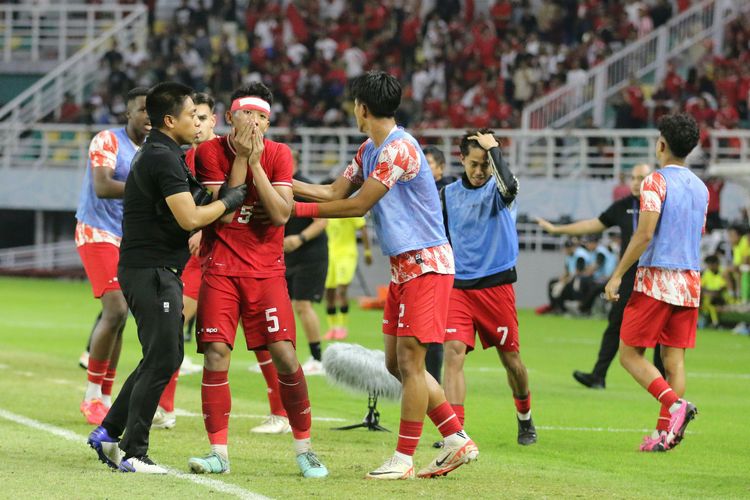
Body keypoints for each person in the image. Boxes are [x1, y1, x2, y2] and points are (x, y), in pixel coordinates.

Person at [293, 71, 477, 480]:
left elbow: (357, 205)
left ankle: (404, 457)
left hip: (426, 264)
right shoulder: (369, 149)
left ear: (361, 107)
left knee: (411, 362)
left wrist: (294, 210)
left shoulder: (399, 149)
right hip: (402, 268)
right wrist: (280, 185)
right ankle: (455, 438)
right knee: (396, 365)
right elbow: (332, 192)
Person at [87, 81, 248, 473]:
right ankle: (133, 452)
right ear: (171, 119)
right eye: (193, 115)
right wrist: (231, 198)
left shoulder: (165, 154)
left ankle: (109, 432)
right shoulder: (161, 157)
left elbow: (209, 205)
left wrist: (239, 163)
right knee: (164, 357)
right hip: (151, 270)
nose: (199, 121)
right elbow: (192, 218)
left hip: (154, 268)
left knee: (163, 355)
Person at [187, 82, 328, 478]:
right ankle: (218, 454)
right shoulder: (207, 153)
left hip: (266, 271)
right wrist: (242, 161)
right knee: (216, 355)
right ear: (230, 117)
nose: (257, 122)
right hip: (221, 271)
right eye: (249, 114)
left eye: (263, 116)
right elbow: (227, 214)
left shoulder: (280, 154)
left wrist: (255, 166)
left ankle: (305, 449)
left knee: (285, 354)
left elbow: (282, 214)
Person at [604, 113, 707, 452]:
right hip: (690, 279)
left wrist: (618, 273)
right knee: (673, 359)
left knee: (630, 355)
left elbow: (645, 233)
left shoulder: (655, 182)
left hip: (658, 278)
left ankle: (677, 406)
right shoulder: (701, 189)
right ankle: (665, 435)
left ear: (661, 144)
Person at [441, 129, 537, 447]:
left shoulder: (499, 191)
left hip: (497, 287)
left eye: (485, 164)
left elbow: (508, 185)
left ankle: (524, 417)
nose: (480, 171)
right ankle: (455, 433)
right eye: (474, 164)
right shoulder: (448, 194)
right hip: (459, 287)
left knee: (512, 362)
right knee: (452, 354)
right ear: (462, 160)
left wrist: (494, 150)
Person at [537, 163, 666, 389]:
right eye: (633, 178)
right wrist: (558, 230)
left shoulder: (663, 204)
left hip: (657, 275)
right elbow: (593, 225)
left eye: (642, 178)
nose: (636, 182)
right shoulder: (623, 206)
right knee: (614, 324)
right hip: (628, 276)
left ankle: (663, 386)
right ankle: (598, 375)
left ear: (653, 180)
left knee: (661, 331)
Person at [74, 87, 150, 425]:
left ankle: (105, 395)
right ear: (128, 113)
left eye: (154, 110)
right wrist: (151, 185)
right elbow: (103, 185)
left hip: (129, 238)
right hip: (96, 232)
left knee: (121, 318)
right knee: (116, 307)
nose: (148, 116)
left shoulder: (155, 150)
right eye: (142, 109)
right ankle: (91, 395)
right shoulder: (107, 140)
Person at [153, 91, 218, 431]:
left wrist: (202, 227)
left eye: (203, 118)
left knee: (264, 340)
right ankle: (164, 407)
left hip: (229, 255)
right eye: (193, 117)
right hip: (194, 259)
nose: (197, 124)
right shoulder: (186, 158)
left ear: (214, 122)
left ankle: (281, 414)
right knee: (173, 325)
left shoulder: (226, 153)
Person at [284, 150, 329, 374]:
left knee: (302, 305)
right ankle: (285, 359)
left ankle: (317, 358)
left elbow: (322, 221)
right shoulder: (279, 186)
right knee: (282, 307)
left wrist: (299, 238)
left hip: (310, 255)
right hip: (288, 256)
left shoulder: (305, 186)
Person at [422, 145, 456, 383]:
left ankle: (433, 381)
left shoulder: (451, 189)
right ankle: (427, 379)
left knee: (435, 324)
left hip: (444, 262)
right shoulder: (418, 188)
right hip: (420, 262)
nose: (424, 168)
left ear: (442, 167)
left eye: (430, 163)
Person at [323, 215, 372, 340]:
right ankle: (332, 327)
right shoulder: (328, 210)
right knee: (329, 293)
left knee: (342, 291)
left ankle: (342, 327)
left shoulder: (348, 210)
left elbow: (363, 228)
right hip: (330, 255)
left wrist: (367, 251)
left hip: (346, 255)